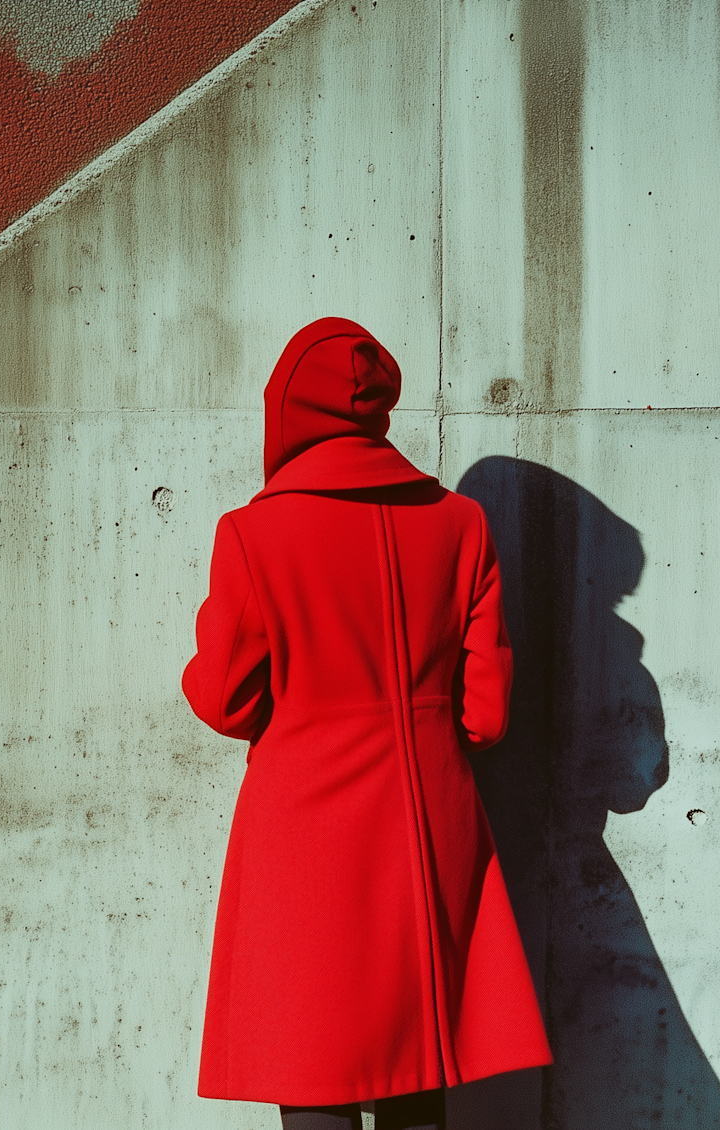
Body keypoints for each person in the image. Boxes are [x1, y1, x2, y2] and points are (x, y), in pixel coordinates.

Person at [182, 318, 552, 1130]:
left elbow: (222, 700)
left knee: (313, 1073)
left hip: (303, 834)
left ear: (287, 413)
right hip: (428, 825)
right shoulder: (460, 526)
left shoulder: (253, 532)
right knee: (416, 1057)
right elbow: (485, 719)